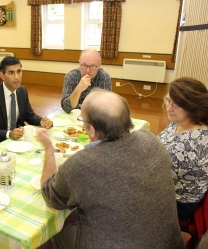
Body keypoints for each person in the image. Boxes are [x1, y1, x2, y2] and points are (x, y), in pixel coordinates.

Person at [36, 88, 184, 249]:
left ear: (91, 130)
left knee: (55, 230)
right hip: (168, 243)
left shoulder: (81, 164)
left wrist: (49, 148)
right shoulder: (150, 139)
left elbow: (49, 196)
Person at [158, 77, 208, 220]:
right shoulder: (179, 122)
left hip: (177, 202)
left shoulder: (195, 143)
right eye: (168, 101)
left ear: (193, 107)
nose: (169, 108)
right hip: (164, 185)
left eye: (176, 105)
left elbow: (157, 175)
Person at [0, 56, 53, 149]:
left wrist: (42, 121)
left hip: (17, 141)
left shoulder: (22, 91)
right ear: (2, 75)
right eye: (11, 73)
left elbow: (29, 115)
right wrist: (9, 134)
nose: (17, 77)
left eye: (19, 71)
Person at [61, 49, 111, 113]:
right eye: (84, 65)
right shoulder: (70, 76)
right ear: (79, 63)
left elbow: (105, 108)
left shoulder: (104, 77)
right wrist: (78, 89)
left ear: (99, 65)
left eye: (92, 66)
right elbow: (66, 107)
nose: (87, 70)